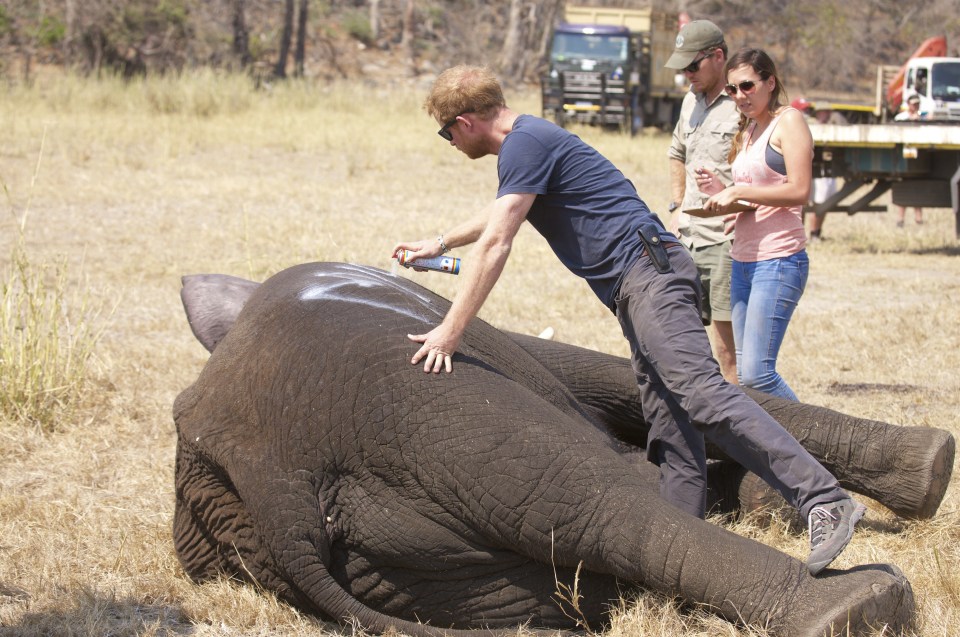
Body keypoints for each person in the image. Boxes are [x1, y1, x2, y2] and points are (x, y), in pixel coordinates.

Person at [393, 64, 865, 576]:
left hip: (649, 275)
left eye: (446, 133)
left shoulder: (524, 144)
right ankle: (680, 549)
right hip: (636, 284)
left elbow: (497, 242)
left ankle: (824, 499)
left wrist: (451, 330)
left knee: (701, 393)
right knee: (668, 419)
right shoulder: (527, 142)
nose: (450, 143)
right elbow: (503, 213)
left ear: (464, 122)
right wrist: (439, 244)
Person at [697, 48, 810, 402]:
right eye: (731, 90)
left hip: (778, 261)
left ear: (770, 82)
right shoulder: (749, 131)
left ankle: (817, 445)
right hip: (743, 260)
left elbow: (799, 190)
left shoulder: (788, 121)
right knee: (745, 377)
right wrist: (725, 197)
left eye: (746, 86)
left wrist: (740, 190)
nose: (739, 96)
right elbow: (763, 196)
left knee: (758, 375)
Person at [664, 20, 739, 384]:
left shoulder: (743, 102)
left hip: (725, 241)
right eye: (682, 68)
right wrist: (677, 207)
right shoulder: (689, 101)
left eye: (693, 66)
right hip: (688, 238)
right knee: (686, 344)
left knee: (730, 353)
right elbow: (676, 152)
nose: (687, 75)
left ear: (718, 56)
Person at [893, 95, 924, 226]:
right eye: (913, 104)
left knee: (918, 187)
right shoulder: (901, 118)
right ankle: (900, 218)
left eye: (917, 104)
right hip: (904, 156)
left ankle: (919, 218)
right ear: (908, 104)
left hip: (919, 155)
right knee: (904, 187)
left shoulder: (923, 117)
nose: (915, 106)